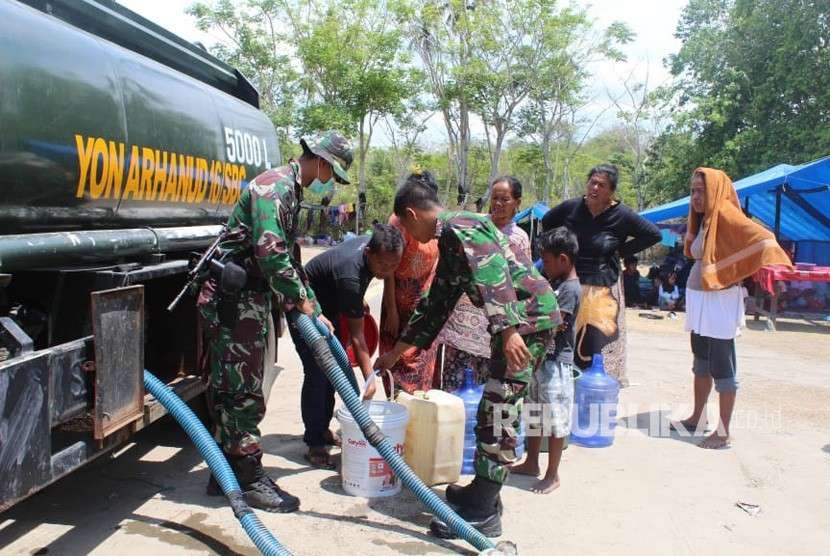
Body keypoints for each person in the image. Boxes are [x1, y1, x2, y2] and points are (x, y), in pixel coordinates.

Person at [374, 178, 560, 538]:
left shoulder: (463, 225)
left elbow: (494, 274)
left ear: (411, 215)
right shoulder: (450, 240)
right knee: (493, 408)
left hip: (527, 324)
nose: (410, 237)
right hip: (516, 324)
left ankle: (483, 513)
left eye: (406, 228)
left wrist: (507, 331)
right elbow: (436, 303)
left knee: (501, 408)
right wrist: (396, 352)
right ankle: (482, 492)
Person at [197, 131, 353, 512]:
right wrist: (300, 301)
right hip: (235, 301)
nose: (329, 179)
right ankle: (249, 478)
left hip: (249, 298)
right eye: (331, 171)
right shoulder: (275, 187)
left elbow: (291, 259)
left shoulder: (289, 190)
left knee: (235, 387)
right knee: (243, 390)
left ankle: (225, 471)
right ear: (320, 160)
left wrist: (313, 307)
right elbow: (271, 255)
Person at [672, 168, 791, 449]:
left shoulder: (725, 213)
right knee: (700, 361)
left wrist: (752, 268)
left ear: (715, 190)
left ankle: (723, 432)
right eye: (693, 191)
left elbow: (763, 238)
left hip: (720, 301)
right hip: (701, 299)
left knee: (723, 366)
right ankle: (697, 417)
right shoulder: (705, 220)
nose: (696, 197)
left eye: (702, 191)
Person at [292, 224, 403, 468]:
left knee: (332, 376)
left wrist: (360, 298)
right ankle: (314, 442)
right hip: (303, 309)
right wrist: (368, 379)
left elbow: (385, 268)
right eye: (383, 265)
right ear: (369, 253)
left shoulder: (378, 247)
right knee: (317, 374)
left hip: (330, 311)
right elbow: (357, 336)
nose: (387, 271)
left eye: (394, 265)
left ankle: (322, 430)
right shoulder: (350, 274)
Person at [542, 164, 660, 386]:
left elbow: (653, 234)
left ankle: (596, 394)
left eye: (601, 185)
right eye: (592, 182)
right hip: (570, 284)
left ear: (611, 192)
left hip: (603, 289)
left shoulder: (622, 215)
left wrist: (620, 251)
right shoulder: (572, 208)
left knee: (596, 347)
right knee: (564, 342)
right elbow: (547, 221)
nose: (594, 188)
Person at [433, 175, 532, 391]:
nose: (497, 204)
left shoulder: (520, 239)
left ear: (517, 203)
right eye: (494, 198)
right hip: (461, 324)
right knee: (453, 387)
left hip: (495, 326)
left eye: (504, 199)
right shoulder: (474, 227)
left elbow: (522, 285)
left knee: (485, 389)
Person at [510, 227, 581, 494]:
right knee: (535, 413)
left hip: (557, 363)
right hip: (542, 361)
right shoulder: (556, 284)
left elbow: (555, 323)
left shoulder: (571, 290)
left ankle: (553, 473)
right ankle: (531, 462)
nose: (544, 266)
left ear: (563, 259)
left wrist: (524, 325)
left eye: (547, 261)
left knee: (555, 418)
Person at [380, 172, 440, 395]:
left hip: (425, 306)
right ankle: (399, 410)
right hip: (401, 305)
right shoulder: (400, 221)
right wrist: (392, 310)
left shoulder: (443, 227)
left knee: (422, 368)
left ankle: (418, 415)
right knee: (397, 365)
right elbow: (389, 268)